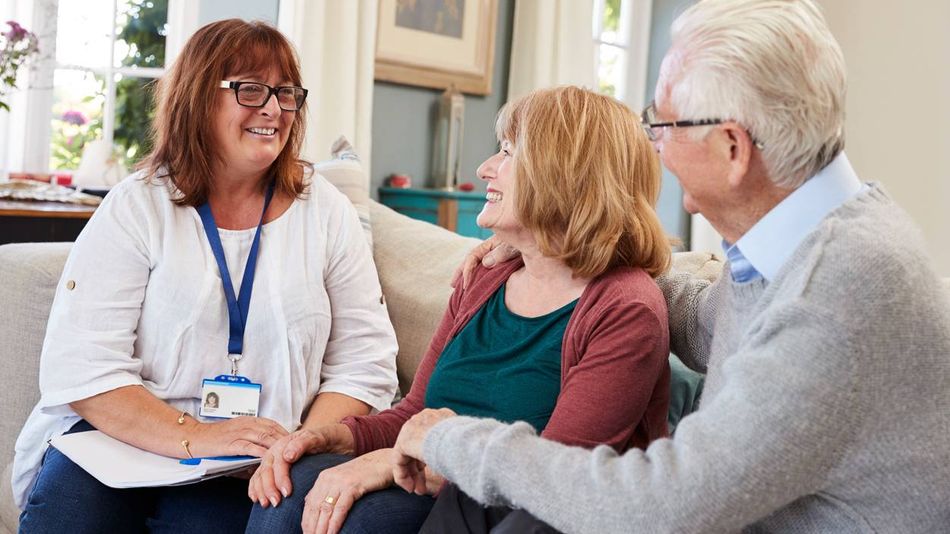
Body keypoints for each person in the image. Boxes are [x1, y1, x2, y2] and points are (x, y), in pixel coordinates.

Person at [390, 1, 950, 532]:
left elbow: (662, 508)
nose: (653, 144)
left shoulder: (836, 294)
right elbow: (706, 323)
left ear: (732, 148)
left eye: (663, 123)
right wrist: (557, 249)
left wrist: (451, 440)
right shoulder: (800, 247)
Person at [14, 19, 398, 532]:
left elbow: (364, 364)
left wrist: (298, 445)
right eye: (251, 89)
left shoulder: (326, 212)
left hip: (258, 463)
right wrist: (196, 435)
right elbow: (84, 366)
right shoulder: (137, 205)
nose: (274, 108)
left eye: (286, 93)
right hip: (118, 444)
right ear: (198, 98)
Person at [244, 86, 673, 534]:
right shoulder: (487, 277)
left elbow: (554, 479)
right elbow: (416, 410)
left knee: (361, 522)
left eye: (507, 153)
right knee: (292, 485)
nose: (485, 168)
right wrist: (338, 435)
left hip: (515, 512)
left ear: (567, 175)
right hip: (442, 484)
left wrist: (391, 461)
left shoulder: (625, 308)